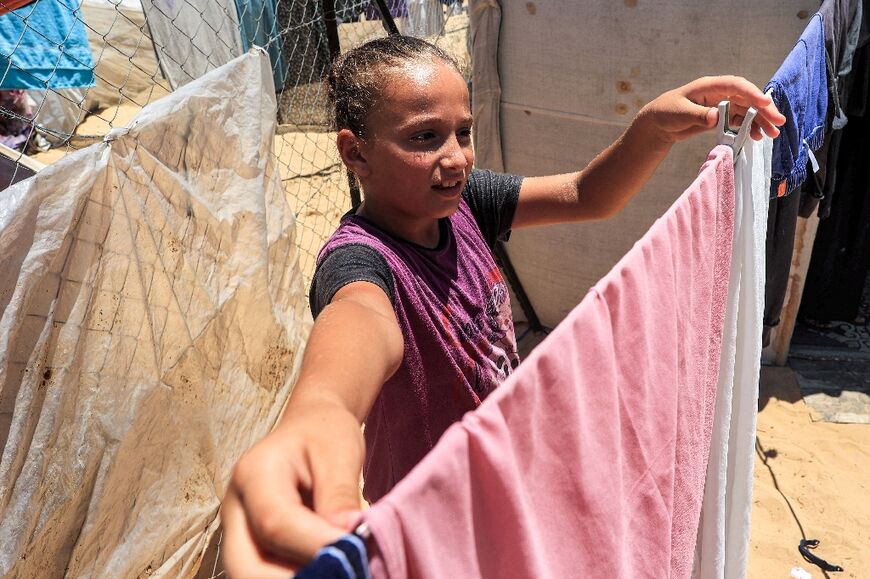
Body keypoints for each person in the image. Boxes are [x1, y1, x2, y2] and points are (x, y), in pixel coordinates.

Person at [220, 35, 784, 577]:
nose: (454, 157)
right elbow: (351, 340)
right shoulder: (359, 265)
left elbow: (587, 195)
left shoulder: (464, 206)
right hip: (439, 526)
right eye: (423, 138)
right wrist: (316, 423)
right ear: (355, 152)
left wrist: (652, 129)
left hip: (506, 479)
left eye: (462, 132)